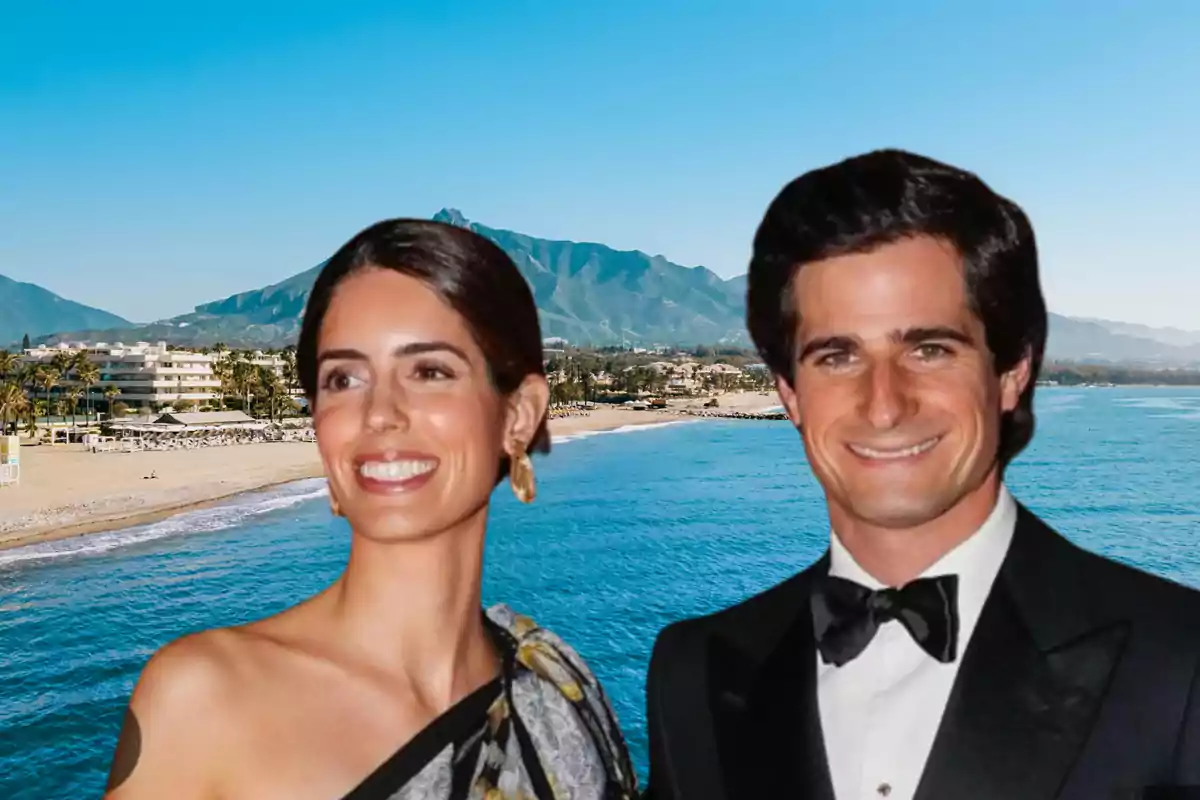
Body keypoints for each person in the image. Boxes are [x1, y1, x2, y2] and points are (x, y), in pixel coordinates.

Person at [643, 149, 1200, 800]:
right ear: (790, 393)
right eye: (837, 356)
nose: (884, 405)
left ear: (1011, 372)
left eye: (929, 349)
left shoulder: (1179, 663)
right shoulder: (692, 673)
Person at [104, 219, 639, 799]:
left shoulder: (559, 687)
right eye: (344, 378)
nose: (379, 412)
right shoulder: (203, 699)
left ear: (517, 415)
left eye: (429, 371)